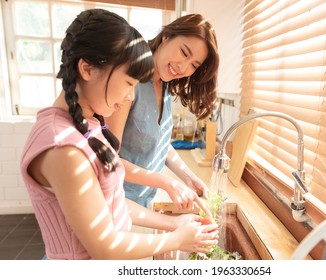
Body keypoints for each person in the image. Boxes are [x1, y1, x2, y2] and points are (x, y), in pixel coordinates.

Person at [20, 9, 218, 260]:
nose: (128, 97)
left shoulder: (88, 129)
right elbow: (105, 248)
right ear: (87, 69)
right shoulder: (65, 149)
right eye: (128, 84)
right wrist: (175, 239)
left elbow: (112, 204)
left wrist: (174, 225)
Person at [106, 14, 219, 213]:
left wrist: (188, 176)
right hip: (115, 204)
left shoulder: (164, 85)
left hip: (142, 205)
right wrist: (166, 182)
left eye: (194, 65)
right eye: (184, 52)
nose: (183, 67)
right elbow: (108, 157)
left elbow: (159, 143)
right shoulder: (131, 81)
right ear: (166, 36)